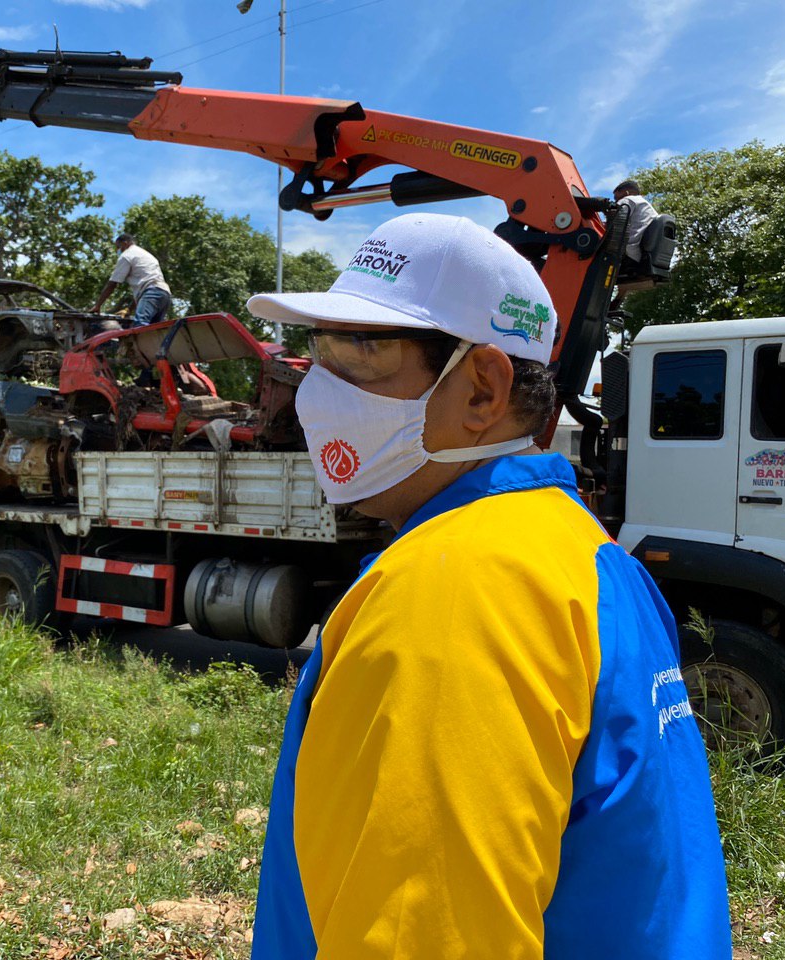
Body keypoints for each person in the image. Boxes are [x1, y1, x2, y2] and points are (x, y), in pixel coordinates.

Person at [245, 213, 730, 959]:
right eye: (320, 351)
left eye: (362, 352)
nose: (317, 391)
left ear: (482, 390)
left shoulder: (454, 589)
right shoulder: (584, 555)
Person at [91, 233, 173, 326]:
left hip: (151, 293)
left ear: (125, 243)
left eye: (118, 247)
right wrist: (129, 309)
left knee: (140, 326)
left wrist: (97, 306)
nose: (117, 250)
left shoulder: (126, 256)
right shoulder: (146, 255)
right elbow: (144, 289)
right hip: (165, 294)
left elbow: (112, 284)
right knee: (155, 330)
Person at [614, 178, 660, 266]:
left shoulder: (627, 200)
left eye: (616, 198)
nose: (616, 202)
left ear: (626, 193)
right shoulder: (646, 205)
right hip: (643, 257)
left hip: (630, 254)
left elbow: (615, 223)